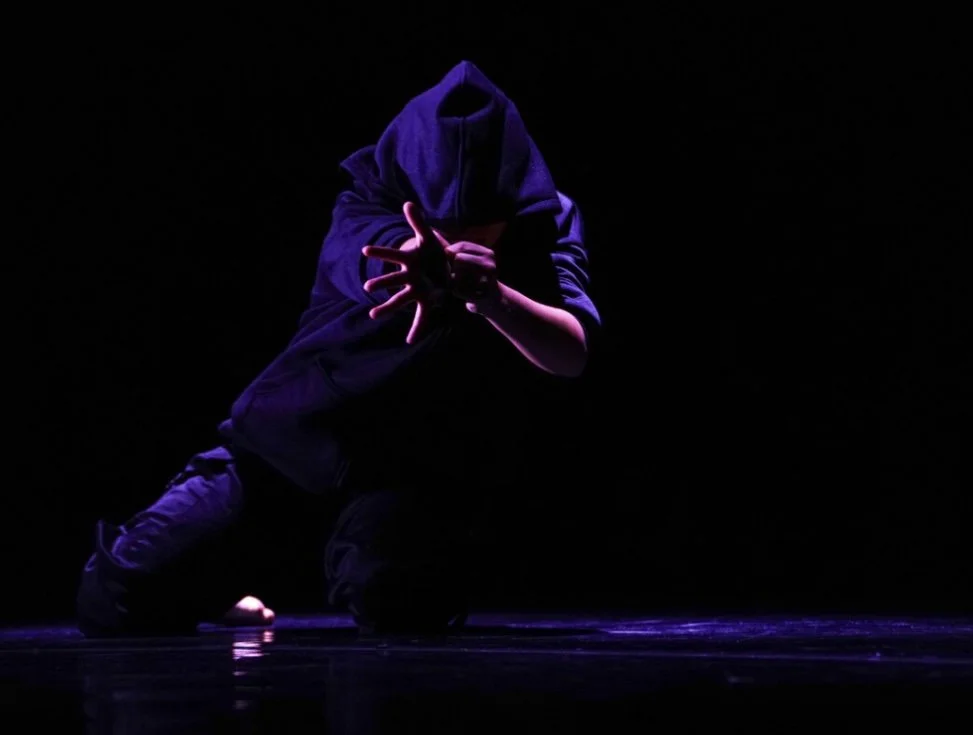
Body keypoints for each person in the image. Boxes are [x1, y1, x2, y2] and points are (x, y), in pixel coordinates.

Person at [77, 60, 601, 636]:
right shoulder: (365, 205)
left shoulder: (549, 220)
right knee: (115, 594)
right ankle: (215, 590)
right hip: (281, 450)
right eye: (440, 221)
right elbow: (375, 253)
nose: (455, 239)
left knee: (399, 605)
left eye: (477, 223)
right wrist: (421, 261)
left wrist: (491, 296)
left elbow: (570, 352)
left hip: (403, 477)